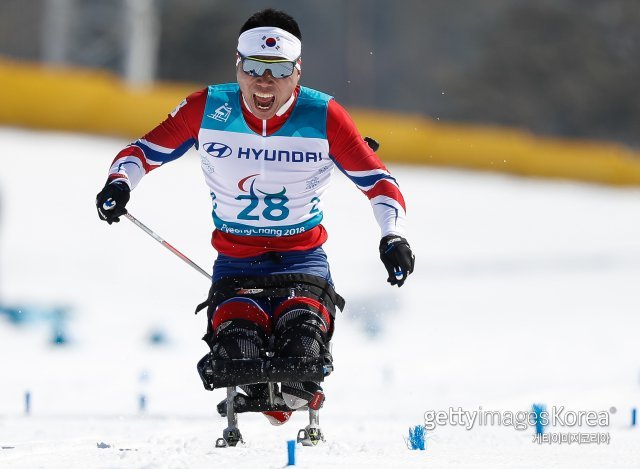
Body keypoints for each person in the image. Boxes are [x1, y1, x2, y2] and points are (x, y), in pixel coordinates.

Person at [96, 8, 414, 425]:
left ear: (297, 72)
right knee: (236, 354)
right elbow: (140, 153)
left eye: (279, 70)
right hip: (236, 260)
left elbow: (379, 181)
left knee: (304, 351)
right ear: (238, 66)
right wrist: (119, 183)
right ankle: (266, 395)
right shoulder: (207, 109)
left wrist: (393, 236)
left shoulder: (324, 116)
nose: (265, 81)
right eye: (255, 68)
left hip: (302, 258)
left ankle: (289, 395)